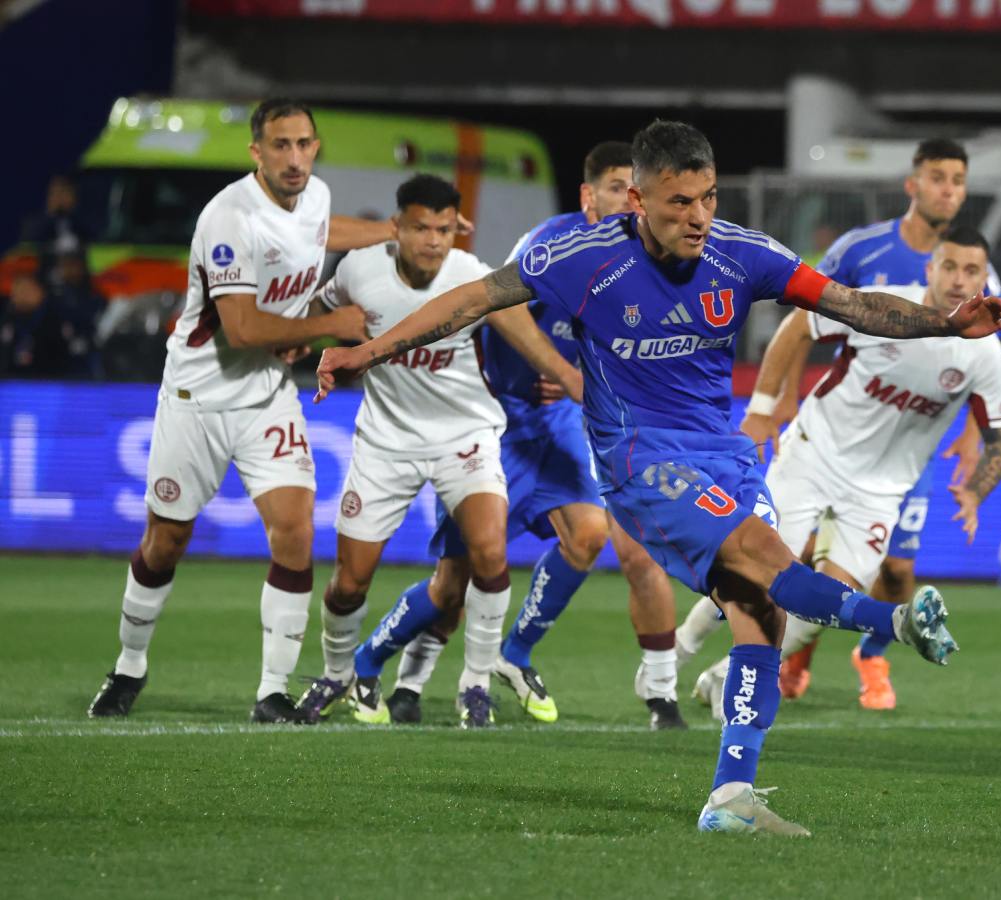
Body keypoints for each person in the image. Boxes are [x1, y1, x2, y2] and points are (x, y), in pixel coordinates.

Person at [315, 120, 1001, 835]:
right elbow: (471, 301)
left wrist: (946, 323)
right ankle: (895, 622)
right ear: (637, 200)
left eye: (707, 197)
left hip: (725, 452)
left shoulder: (743, 255)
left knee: (759, 614)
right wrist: (370, 349)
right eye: (679, 202)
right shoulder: (581, 257)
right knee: (763, 558)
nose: (699, 217)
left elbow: (852, 305)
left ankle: (731, 797)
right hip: (638, 458)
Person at [349, 141, 689, 730]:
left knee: (588, 533)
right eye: (614, 187)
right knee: (455, 583)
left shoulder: (644, 260)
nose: (626, 200)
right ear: (587, 197)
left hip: (560, 419)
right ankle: (374, 662)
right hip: (497, 418)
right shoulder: (546, 247)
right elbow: (494, 318)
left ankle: (514, 654)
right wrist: (551, 372)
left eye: (633, 190)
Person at [86, 98, 394, 724]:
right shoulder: (228, 217)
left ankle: (271, 691)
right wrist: (329, 323)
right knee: (165, 541)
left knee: (296, 533)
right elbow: (243, 325)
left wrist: (392, 231)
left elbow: (322, 229)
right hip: (197, 397)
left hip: (266, 396)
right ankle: (128, 666)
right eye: (280, 145)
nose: (294, 157)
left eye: (304, 144)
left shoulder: (314, 197)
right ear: (256, 152)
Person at [710, 138, 1001, 708]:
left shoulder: (973, 268)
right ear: (912, 185)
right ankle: (781, 661)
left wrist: (971, 432)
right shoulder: (862, 249)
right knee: (790, 552)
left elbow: (981, 354)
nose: (949, 189)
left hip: (906, 450)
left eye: (958, 180)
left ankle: (865, 657)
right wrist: (779, 399)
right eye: (938, 177)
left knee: (895, 571)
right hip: (840, 431)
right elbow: (802, 316)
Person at [292, 174, 581, 728]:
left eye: (444, 229)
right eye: (421, 227)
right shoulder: (360, 269)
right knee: (350, 581)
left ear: (456, 230)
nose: (432, 240)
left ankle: (473, 684)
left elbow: (520, 329)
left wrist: (567, 376)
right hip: (385, 442)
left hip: (463, 437)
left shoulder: (471, 275)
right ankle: (336, 676)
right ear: (396, 228)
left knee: (491, 553)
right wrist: (309, 335)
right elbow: (320, 311)